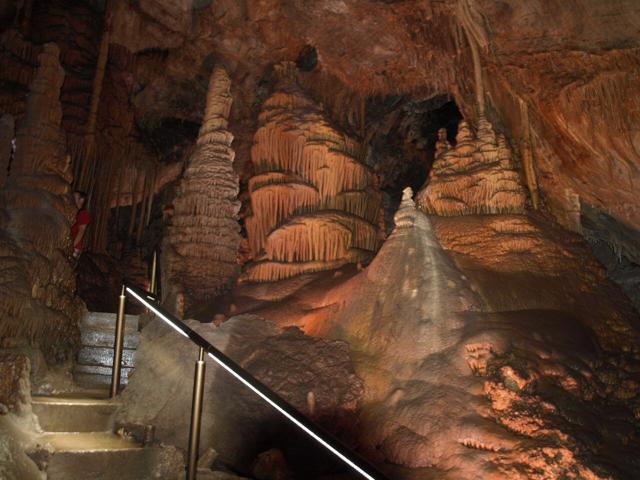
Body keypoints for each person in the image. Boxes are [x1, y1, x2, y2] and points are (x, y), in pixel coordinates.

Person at [71, 190, 90, 260]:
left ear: (81, 200)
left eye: (74, 197)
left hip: (75, 247)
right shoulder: (71, 212)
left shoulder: (83, 214)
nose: (71, 198)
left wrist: (72, 245)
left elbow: (81, 231)